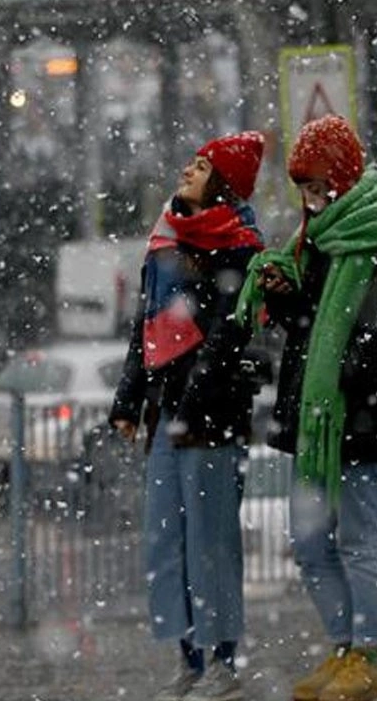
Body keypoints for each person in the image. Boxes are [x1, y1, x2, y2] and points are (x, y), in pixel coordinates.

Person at [236, 115, 377, 701]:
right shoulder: (314, 240)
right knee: (310, 541)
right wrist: (285, 298)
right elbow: (308, 329)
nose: (312, 200)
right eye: (305, 190)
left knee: (359, 539)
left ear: (342, 177)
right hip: (316, 418)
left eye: (319, 186)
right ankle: (343, 647)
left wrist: (339, 369)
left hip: (360, 417)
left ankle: (365, 655)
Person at [109, 131, 266, 701]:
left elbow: (231, 330)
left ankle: (222, 659)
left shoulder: (238, 245)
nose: (188, 170)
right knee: (164, 539)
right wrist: (129, 401)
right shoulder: (165, 238)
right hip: (165, 415)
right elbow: (145, 327)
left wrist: (196, 392)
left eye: (202, 166)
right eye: (191, 161)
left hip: (211, 417)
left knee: (211, 540)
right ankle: (188, 656)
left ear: (222, 182)